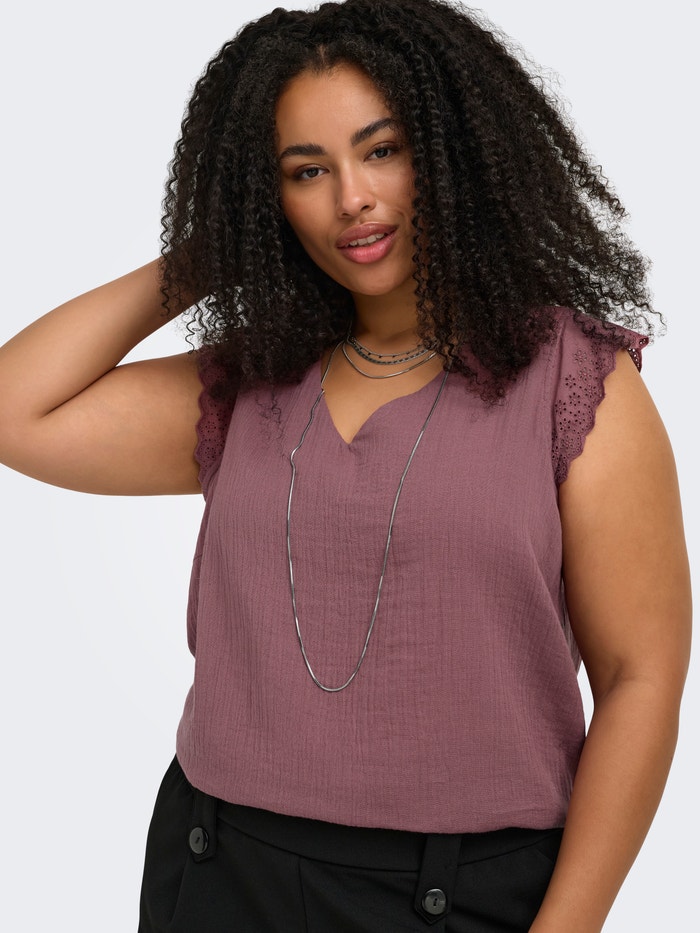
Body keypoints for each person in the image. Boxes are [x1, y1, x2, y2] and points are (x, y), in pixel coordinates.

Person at [0, 0, 691, 930]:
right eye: (306, 171)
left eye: (383, 150)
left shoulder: (573, 379)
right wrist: (215, 250)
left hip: (457, 893)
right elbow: (16, 409)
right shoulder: (250, 380)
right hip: (217, 867)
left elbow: (641, 676)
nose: (351, 199)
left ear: (450, 154)